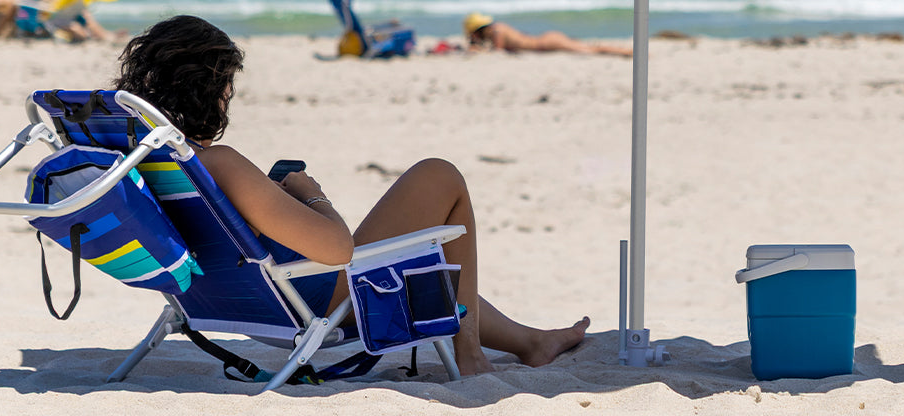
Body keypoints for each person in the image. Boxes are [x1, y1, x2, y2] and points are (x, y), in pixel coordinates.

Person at [113, 16, 589, 375]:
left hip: (225, 298)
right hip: (311, 298)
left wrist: (276, 206)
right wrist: (312, 195)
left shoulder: (145, 160)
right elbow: (337, 250)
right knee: (440, 177)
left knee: (425, 271)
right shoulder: (219, 163)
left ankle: (529, 342)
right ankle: (469, 351)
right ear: (209, 89)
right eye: (226, 90)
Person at [463, 12, 632, 57]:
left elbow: (497, 51)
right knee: (589, 48)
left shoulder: (496, 30)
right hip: (547, 39)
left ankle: (628, 52)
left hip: (547, 43)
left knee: (591, 50)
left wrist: (478, 50)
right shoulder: (499, 27)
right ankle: (627, 51)